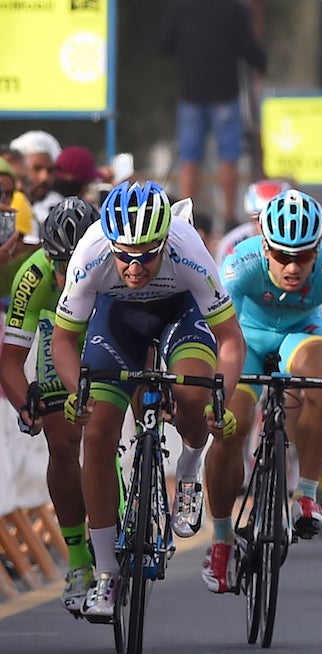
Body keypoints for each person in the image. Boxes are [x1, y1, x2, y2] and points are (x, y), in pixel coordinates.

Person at [51, 180, 246, 619]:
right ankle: (106, 573)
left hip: (179, 315)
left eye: (146, 256)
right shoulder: (92, 250)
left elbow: (231, 339)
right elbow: (64, 340)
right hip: (117, 322)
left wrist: (221, 399)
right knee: (97, 432)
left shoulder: (188, 247)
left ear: (165, 240)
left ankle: (191, 468)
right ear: (111, 245)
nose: (135, 267)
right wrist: (74, 390)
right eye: (125, 256)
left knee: (193, 394)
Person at [202, 189, 322, 592]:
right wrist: (215, 396)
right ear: (265, 247)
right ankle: (220, 538)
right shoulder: (240, 264)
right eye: (283, 255)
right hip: (245, 340)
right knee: (229, 429)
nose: (293, 266)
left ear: (318, 249)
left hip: (301, 336)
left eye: (304, 256)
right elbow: (220, 337)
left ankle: (306, 493)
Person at [0, 198, 99, 615]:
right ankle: (78, 562)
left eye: (76, 264)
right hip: (56, 332)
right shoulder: (35, 273)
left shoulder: (116, 265)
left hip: (103, 327)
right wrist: (28, 407)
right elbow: (8, 360)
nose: (66, 275)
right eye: (59, 263)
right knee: (63, 443)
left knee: (102, 429)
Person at [159, 0, 267, 228]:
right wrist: (261, 61)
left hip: (191, 91)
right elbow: (248, 47)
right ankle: (229, 218)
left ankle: (187, 216)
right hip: (225, 93)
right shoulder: (234, 8)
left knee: (189, 158)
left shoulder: (180, 8)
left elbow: (165, 44)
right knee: (228, 157)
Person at [213, 178, 290, 265]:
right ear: (251, 219)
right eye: (260, 218)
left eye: (275, 217)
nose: (268, 225)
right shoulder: (230, 244)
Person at [9, 130, 62, 240]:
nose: (45, 177)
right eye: (37, 169)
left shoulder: (57, 206)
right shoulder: (10, 208)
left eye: (50, 170)